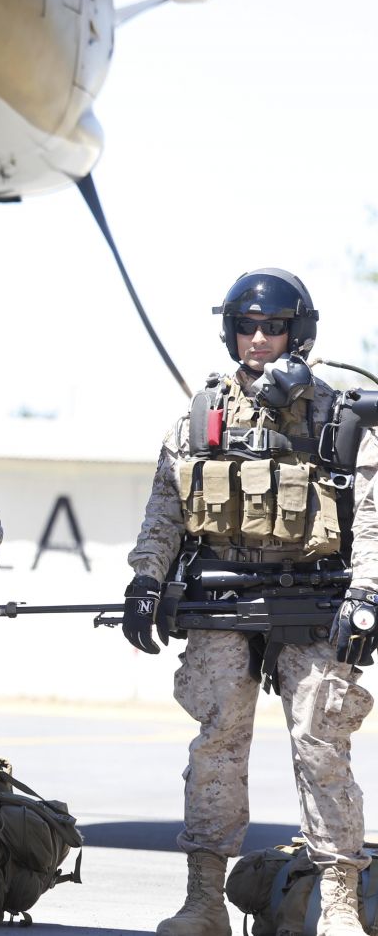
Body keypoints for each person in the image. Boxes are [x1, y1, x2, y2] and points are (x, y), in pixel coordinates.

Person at [124, 269, 367, 936]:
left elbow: (371, 515)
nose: (258, 339)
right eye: (246, 327)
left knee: (321, 744)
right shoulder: (202, 412)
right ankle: (204, 900)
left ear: (299, 331)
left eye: (274, 327)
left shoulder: (336, 414)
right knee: (216, 745)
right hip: (221, 599)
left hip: (311, 600)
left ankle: (341, 901)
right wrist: (147, 579)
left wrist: (367, 594)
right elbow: (165, 508)